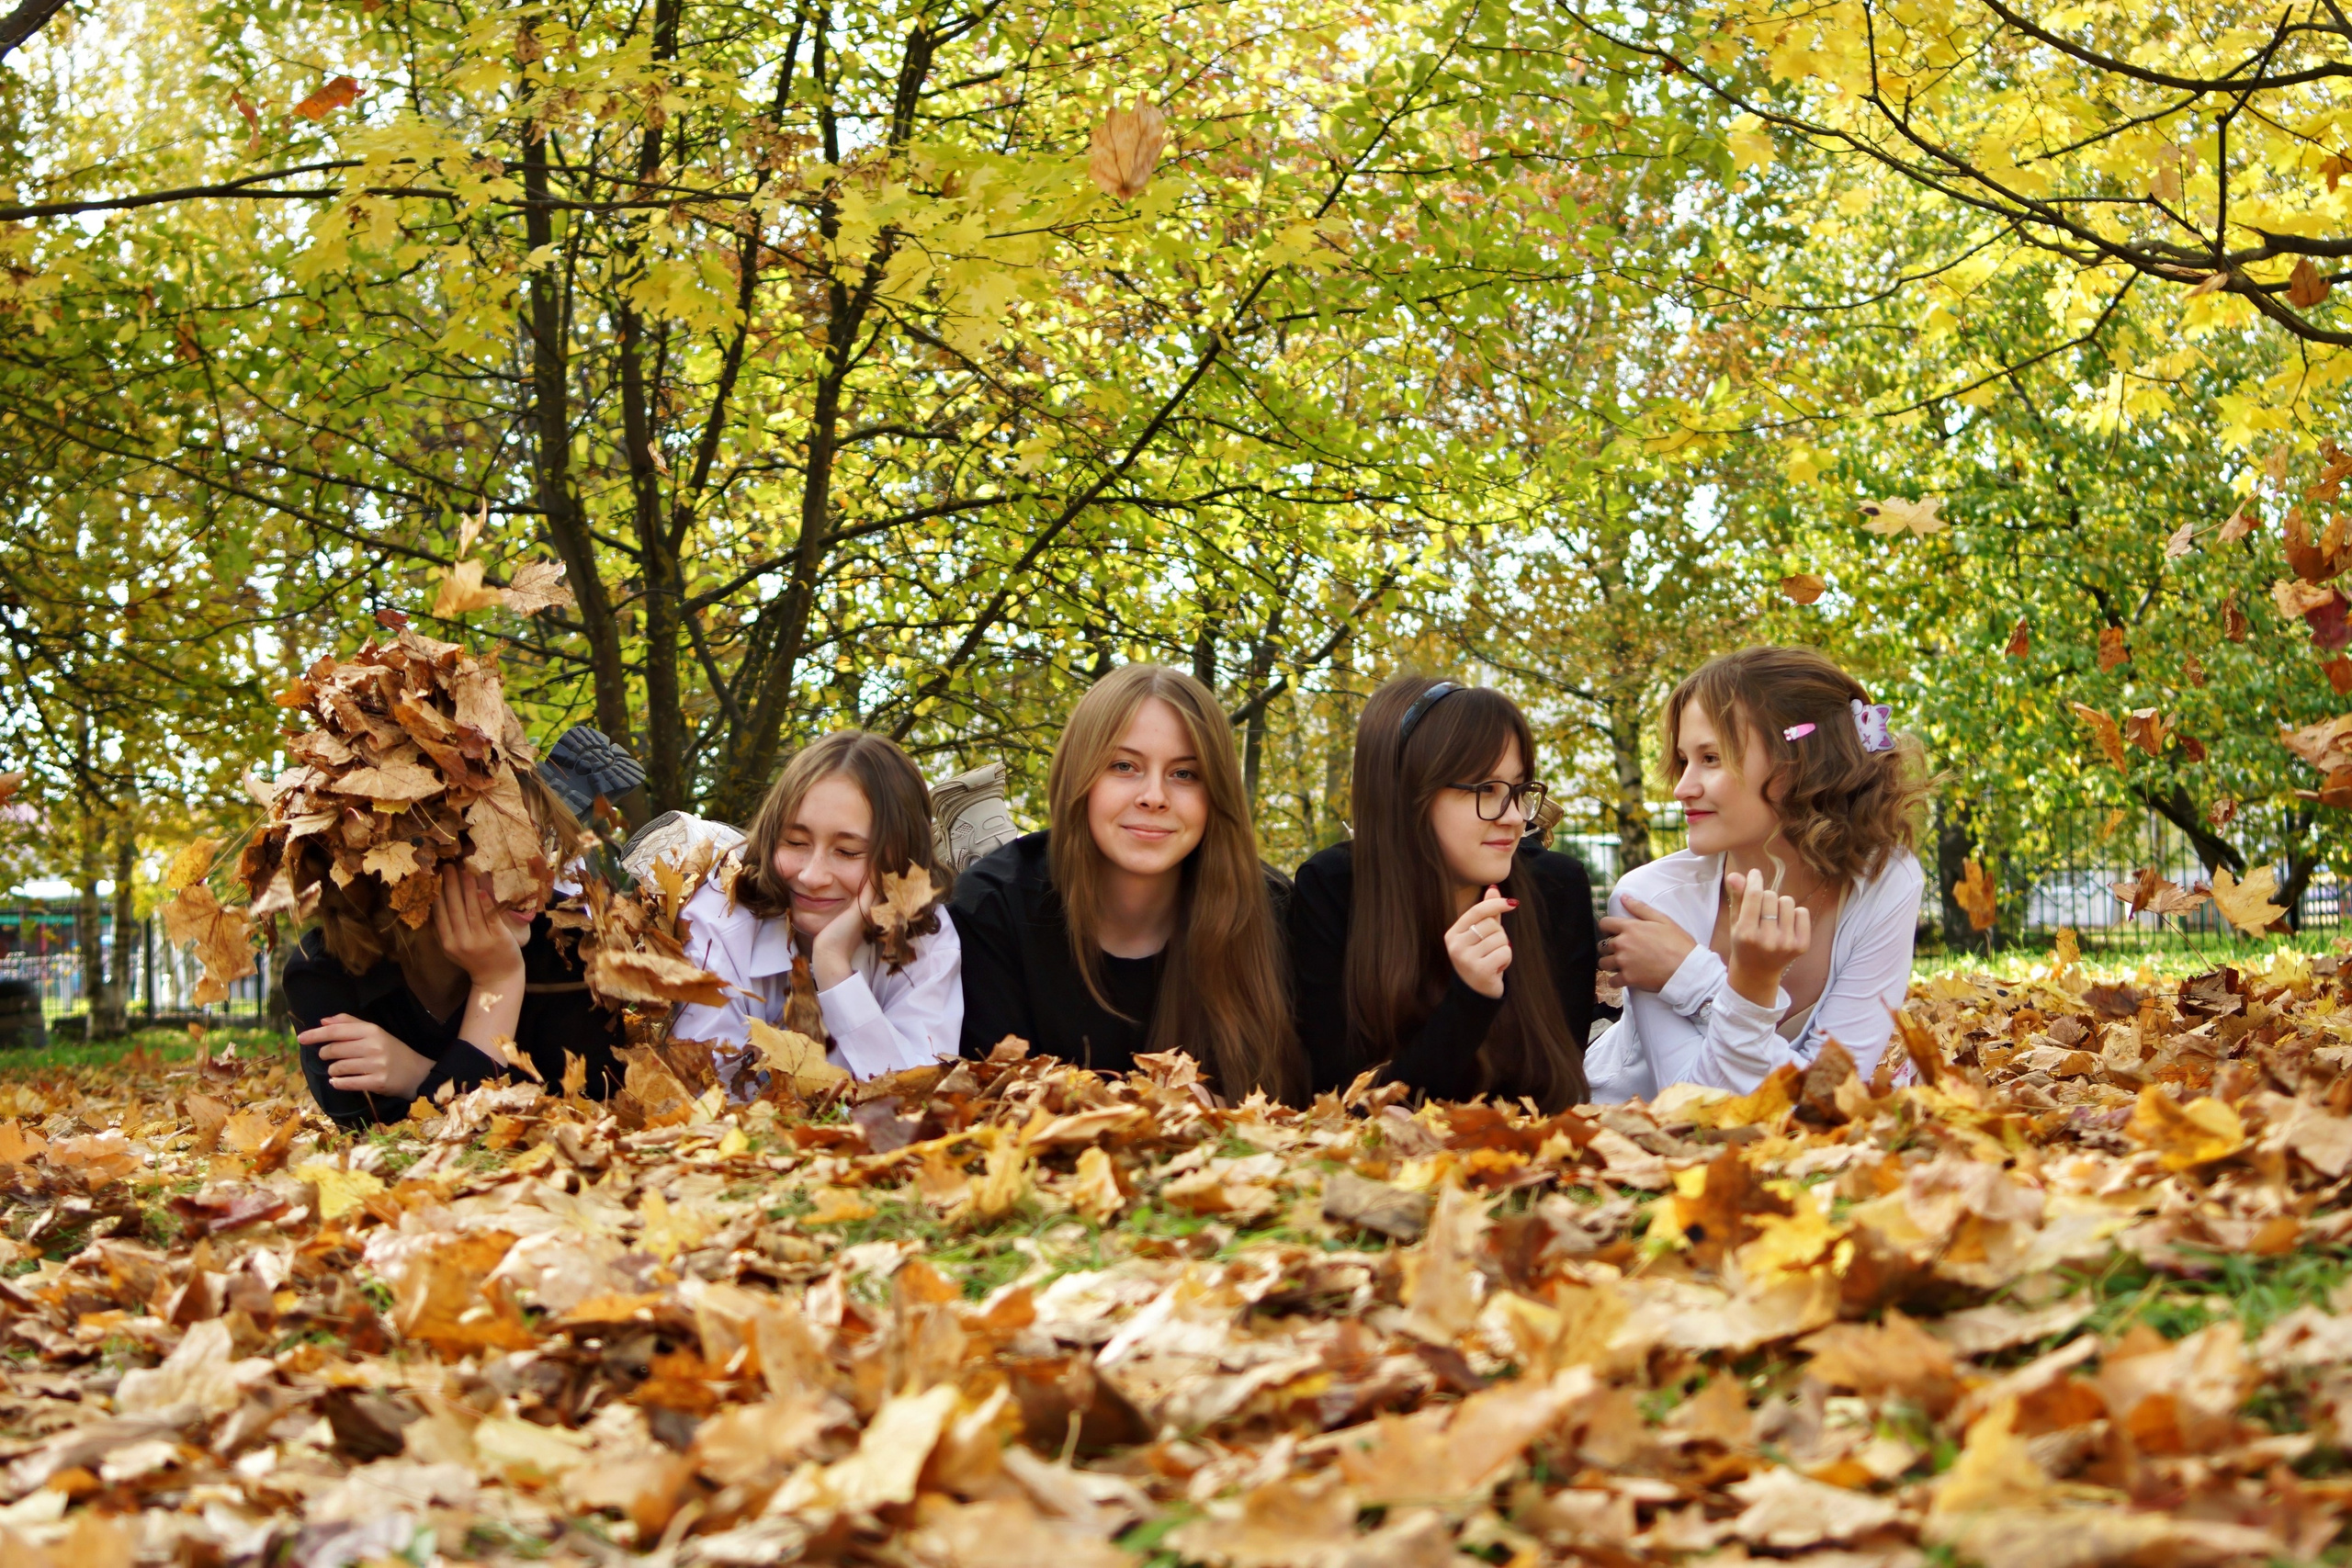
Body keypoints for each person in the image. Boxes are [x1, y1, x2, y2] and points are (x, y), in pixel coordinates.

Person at [950, 664, 1306, 1102]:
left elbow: (1292, 1109)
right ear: (1078, 777)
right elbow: (993, 1103)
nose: (1154, 796)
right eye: (1124, 766)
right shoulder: (993, 908)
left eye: (1184, 774)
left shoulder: (1271, 911)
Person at [1587, 646, 1928, 1101]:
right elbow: (1694, 1109)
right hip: (1625, 1136)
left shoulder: (1886, 881)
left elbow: (1829, 1094)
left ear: (1800, 765)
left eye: (1711, 758)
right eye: (1684, 760)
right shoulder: (1650, 899)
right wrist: (1745, 989)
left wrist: (1694, 978)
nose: (1682, 788)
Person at [1290, 677, 1597, 1110]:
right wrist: (1469, 1001)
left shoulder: (1554, 888)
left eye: (1518, 789)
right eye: (1485, 790)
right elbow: (1342, 1104)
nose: (1513, 817)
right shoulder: (1336, 888)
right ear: (1407, 796)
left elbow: (1555, 1094)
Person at [290, 773, 627, 1127]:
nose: (539, 870)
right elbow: (383, 1143)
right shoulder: (324, 971)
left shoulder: (568, 940)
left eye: (541, 842)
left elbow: (593, 1113)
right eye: (502, 847)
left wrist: (497, 982)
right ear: (418, 863)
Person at [673, 731, 962, 1083]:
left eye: (847, 852)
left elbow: (917, 1099)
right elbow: (708, 1096)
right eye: (795, 842)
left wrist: (833, 968)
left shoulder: (926, 937)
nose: (811, 876)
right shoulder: (717, 918)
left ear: (898, 861)